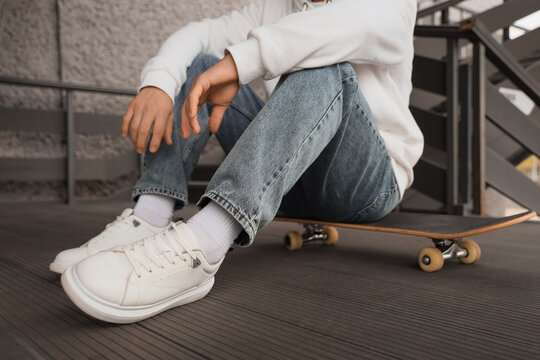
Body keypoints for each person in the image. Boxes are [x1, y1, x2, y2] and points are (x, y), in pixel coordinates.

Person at [52, 0, 423, 323]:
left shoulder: (392, 2)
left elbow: (361, 23)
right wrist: (159, 83)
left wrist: (241, 62)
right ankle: (149, 216)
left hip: (365, 186)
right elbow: (201, 33)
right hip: (287, 178)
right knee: (201, 65)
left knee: (324, 66)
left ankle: (204, 246)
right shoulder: (274, 6)